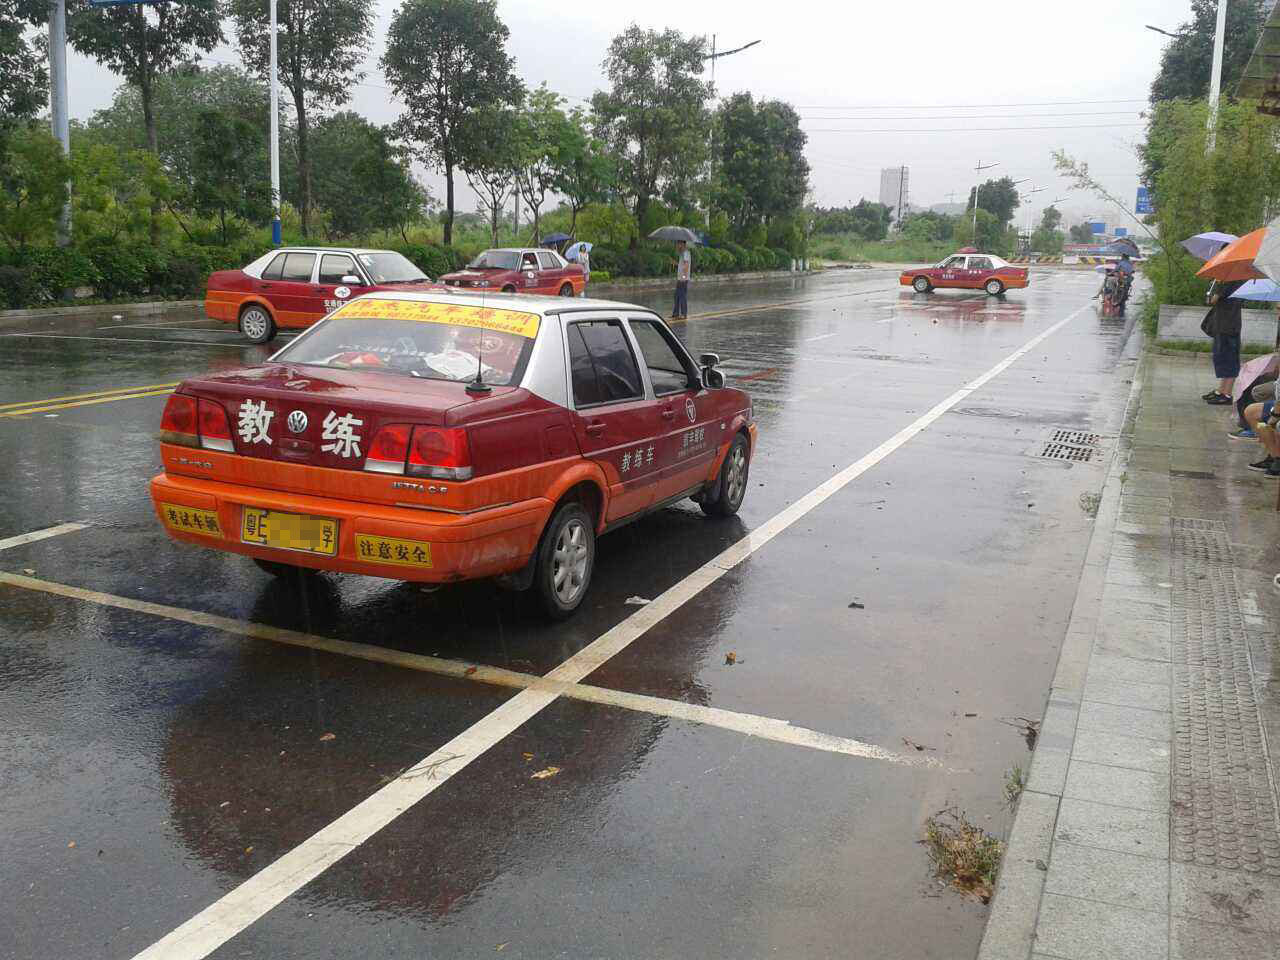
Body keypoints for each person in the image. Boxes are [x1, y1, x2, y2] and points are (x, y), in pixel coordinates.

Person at [1203, 279, 1245, 405]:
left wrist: (1215, 286)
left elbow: (1212, 300)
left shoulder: (1231, 281)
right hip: (1228, 325)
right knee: (1224, 358)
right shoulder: (1235, 281)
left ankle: (1227, 394)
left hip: (1227, 326)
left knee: (1228, 359)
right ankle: (1221, 390)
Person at [672, 240, 691, 320]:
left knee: (682, 296)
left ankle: (684, 314)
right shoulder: (682, 254)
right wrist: (675, 263)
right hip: (680, 278)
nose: (677, 245)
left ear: (682, 244)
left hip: (683, 279)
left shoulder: (686, 253)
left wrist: (683, 277)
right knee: (677, 296)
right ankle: (676, 313)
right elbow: (682, 264)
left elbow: (686, 265)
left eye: (678, 244)